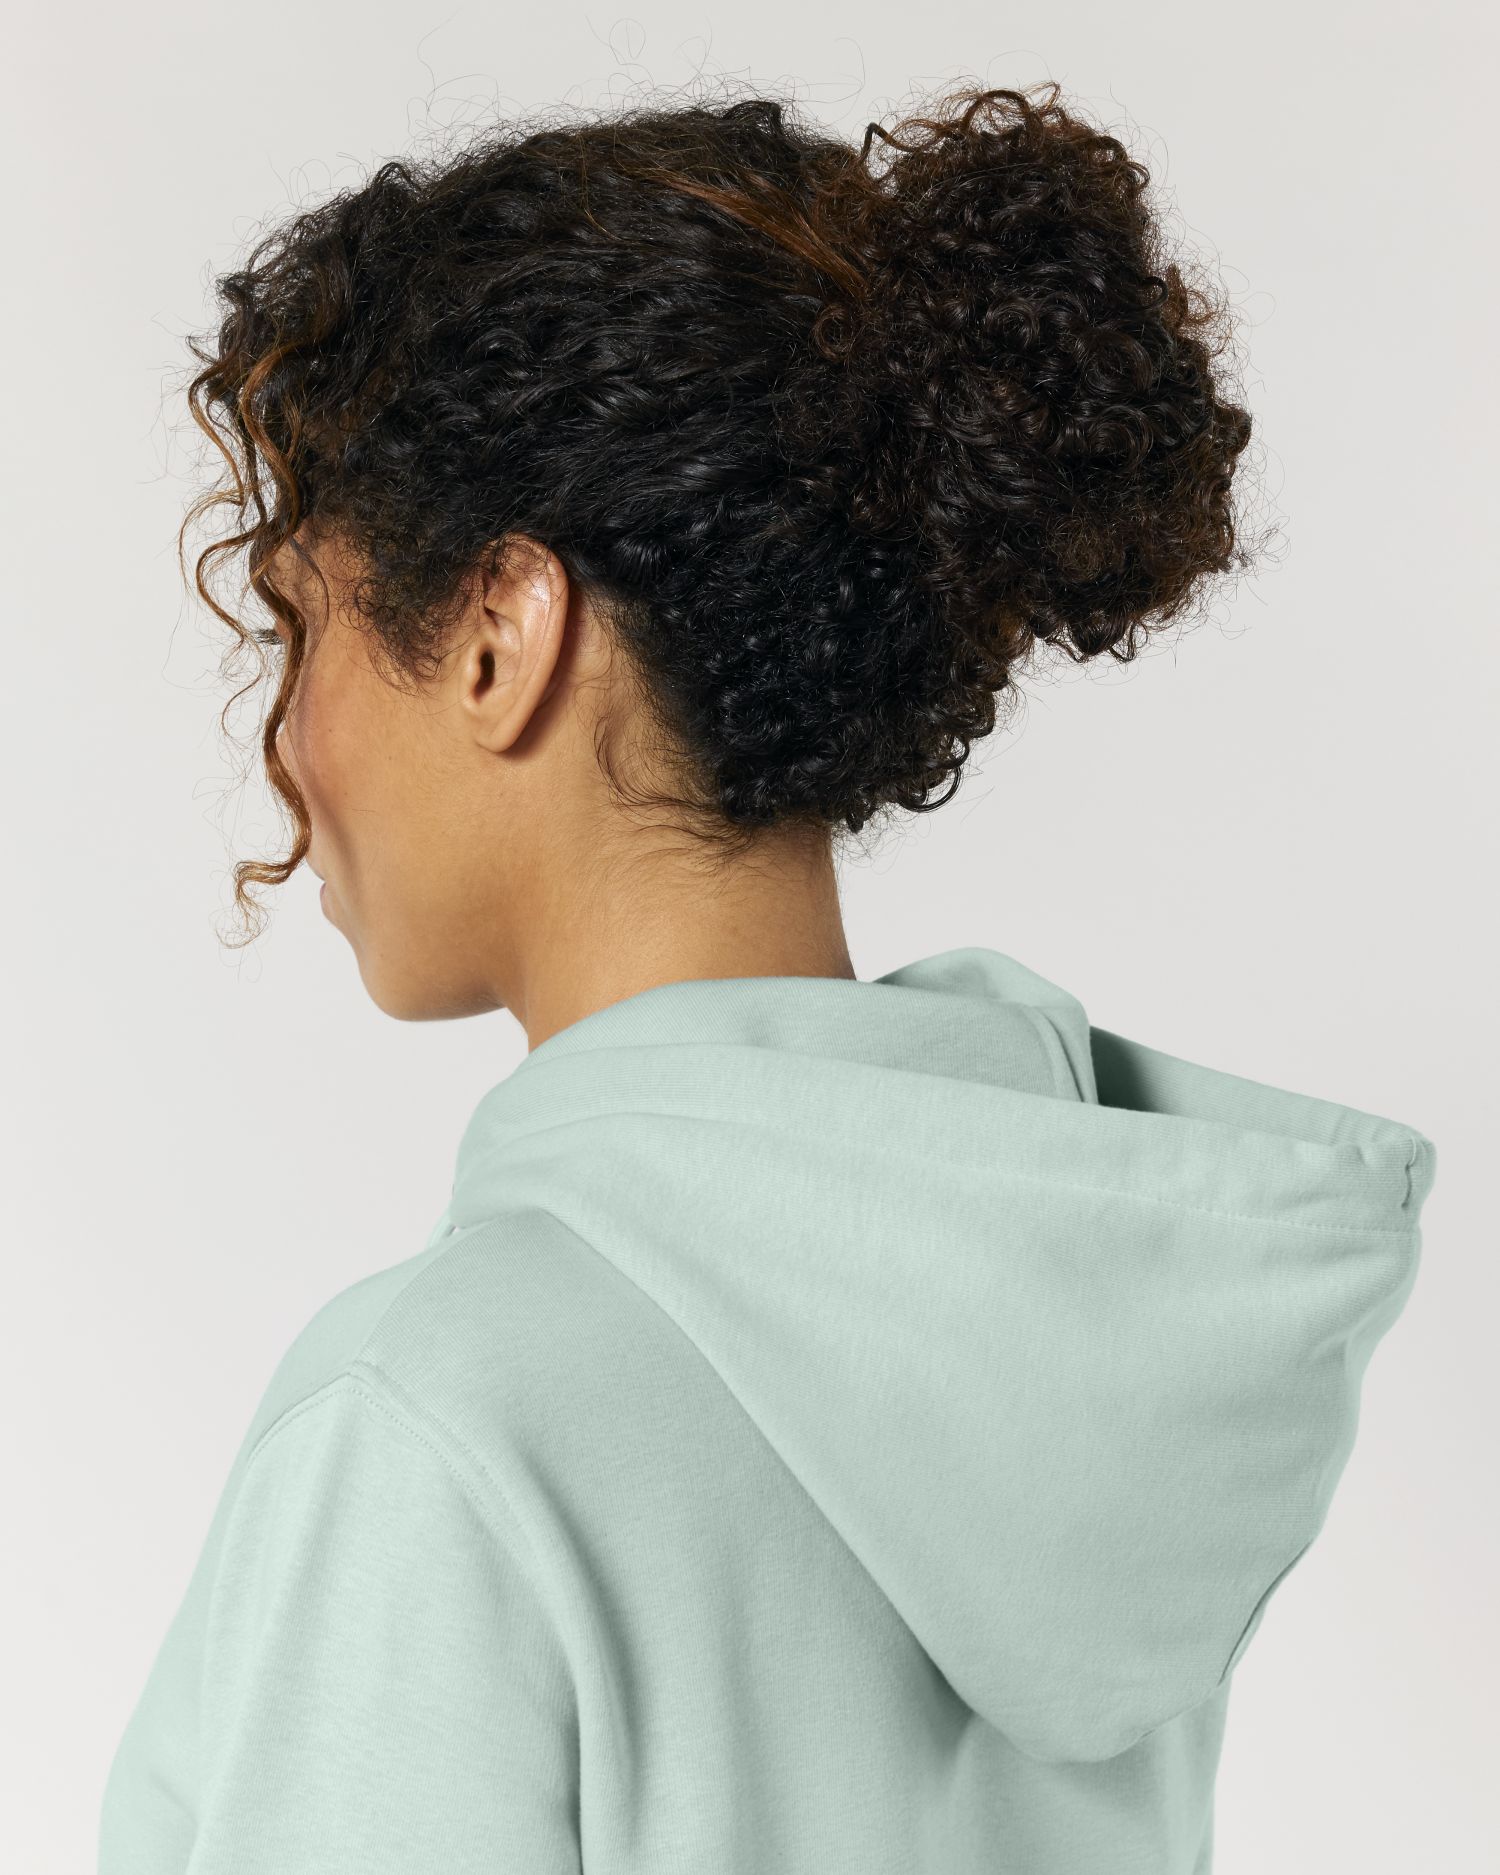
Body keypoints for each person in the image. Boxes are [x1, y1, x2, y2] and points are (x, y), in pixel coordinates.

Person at [98, 78, 1436, 1874]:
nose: (286, 745)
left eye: (296, 625)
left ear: (501, 632)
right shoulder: (1090, 1363)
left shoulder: (438, 1414)